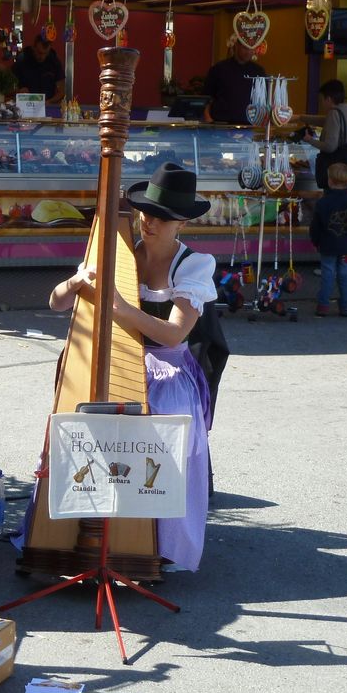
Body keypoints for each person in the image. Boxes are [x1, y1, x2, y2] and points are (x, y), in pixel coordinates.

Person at [49, 163, 217, 572]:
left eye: (160, 218)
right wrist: (73, 285)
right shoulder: (119, 252)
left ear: (180, 223)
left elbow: (174, 335)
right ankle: (80, 531)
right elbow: (55, 303)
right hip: (120, 360)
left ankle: (156, 543)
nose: (149, 223)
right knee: (81, 418)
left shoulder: (193, 266)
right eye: (145, 213)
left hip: (169, 371)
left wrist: (121, 309)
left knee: (153, 431)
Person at [303, 78, 347, 273]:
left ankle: (330, 263)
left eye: (323, 99)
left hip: (337, 170)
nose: (322, 103)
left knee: (334, 219)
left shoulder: (334, 114)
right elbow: (327, 121)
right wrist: (302, 117)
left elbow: (330, 146)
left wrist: (308, 140)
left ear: (329, 98)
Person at [309, 163, 347, 318]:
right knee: (345, 276)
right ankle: (345, 306)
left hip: (328, 245)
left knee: (328, 274)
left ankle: (323, 305)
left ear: (330, 181)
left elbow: (316, 226)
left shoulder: (323, 203)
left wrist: (316, 241)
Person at [202, 36, 266, 125]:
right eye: (245, 48)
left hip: (249, 124)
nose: (249, 52)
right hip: (221, 123)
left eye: (252, 48)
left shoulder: (259, 71)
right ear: (236, 46)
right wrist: (208, 118)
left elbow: (263, 101)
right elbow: (207, 97)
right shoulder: (218, 68)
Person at [12, 30, 66, 105]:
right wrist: (18, 91)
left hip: (47, 105)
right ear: (33, 48)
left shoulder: (54, 61)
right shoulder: (22, 59)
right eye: (39, 53)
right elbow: (10, 87)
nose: (42, 57)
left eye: (45, 53)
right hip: (25, 105)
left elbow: (61, 92)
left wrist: (49, 102)